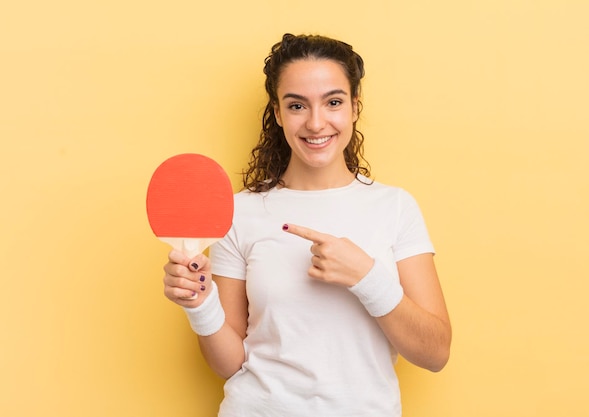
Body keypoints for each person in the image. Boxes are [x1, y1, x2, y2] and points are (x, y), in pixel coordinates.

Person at [163, 33, 451, 416]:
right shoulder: (240, 213)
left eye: (333, 102)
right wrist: (201, 304)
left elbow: (435, 353)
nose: (317, 123)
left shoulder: (395, 207)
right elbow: (229, 364)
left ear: (354, 108)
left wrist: (367, 277)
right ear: (278, 113)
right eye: (297, 105)